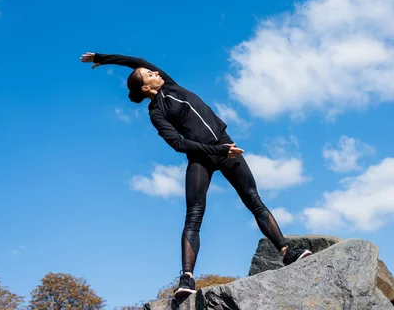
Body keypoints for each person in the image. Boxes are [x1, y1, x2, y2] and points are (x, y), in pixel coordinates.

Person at [80, 51, 312, 298]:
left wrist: (103, 58)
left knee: (253, 199)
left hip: (225, 146)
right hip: (203, 157)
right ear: (145, 87)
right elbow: (178, 144)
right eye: (150, 74)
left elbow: (135, 61)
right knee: (194, 215)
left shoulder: (169, 84)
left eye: (154, 70)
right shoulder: (156, 113)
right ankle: (187, 279)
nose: (155, 71)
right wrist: (218, 151)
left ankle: (287, 252)